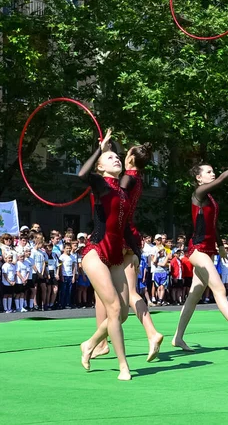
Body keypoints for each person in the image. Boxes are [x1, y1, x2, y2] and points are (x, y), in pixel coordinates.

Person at [172, 144, 228, 352]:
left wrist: (220, 246)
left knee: (194, 295)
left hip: (208, 250)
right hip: (197, 250)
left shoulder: (210, 198)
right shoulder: (199, 193)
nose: (213, 174)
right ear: (199, 178)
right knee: (219, 289)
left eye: (213, 171)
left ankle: (177, 337)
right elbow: (223, 179)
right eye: (209, 172)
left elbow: (213, 224)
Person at [91, 142, 164, 362]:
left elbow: (111, 195)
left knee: (127, 294)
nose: (119, 157)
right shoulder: (137, 178)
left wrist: (102, 156)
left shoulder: (126, 179)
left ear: (130, 157)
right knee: (118, 294)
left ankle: (150, 332)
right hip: (129, 234)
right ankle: (102, 343)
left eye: (123, 154)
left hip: (118, 235)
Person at [77, 129, 132, 381]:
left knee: (122, 314)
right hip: (96, 252)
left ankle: (89, 344)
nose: (116, 159)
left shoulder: (123, 190)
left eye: (116, 157)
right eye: (110, 158)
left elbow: (124, 225)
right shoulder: (100, 184)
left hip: (116, 255)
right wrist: (100, 148)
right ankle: (124, 366)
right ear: (100, 166)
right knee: (113, 307)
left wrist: (136, 250)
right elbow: (81, 174)